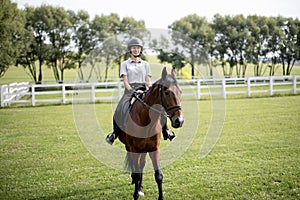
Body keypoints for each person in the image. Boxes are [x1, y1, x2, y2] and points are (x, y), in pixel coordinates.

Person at [106, 37, 176, 145]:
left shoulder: (145, 64)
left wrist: (149, 90)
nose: (136, 50)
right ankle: (114, 134)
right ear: (130, 49)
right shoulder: (125, 64)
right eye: (134, 48)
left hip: (143, 89)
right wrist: (132, 91)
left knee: (159, 106)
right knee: (120, 108)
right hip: (130, 90)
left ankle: (166, 131)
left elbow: (148, 81)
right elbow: (125, 81)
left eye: (138, 48)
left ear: (140, 50)